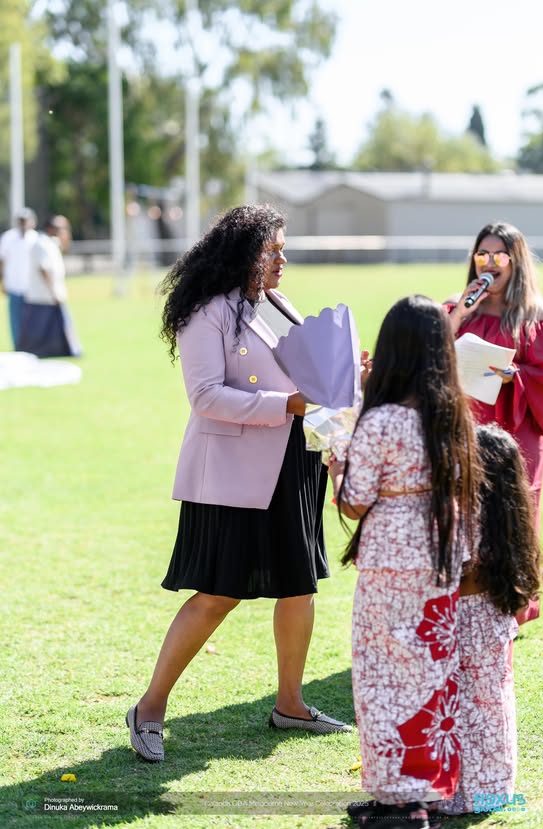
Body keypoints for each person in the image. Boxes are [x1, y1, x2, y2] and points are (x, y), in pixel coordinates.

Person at [126, 204, 352, 763]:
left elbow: (312, 377)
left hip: (294, 462)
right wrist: (288, 404)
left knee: (298, 586)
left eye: (282, 249)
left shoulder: (277, 304)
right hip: (233, 474)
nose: (282, 260)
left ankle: (292, 704)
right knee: (219, 592)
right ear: (242, 254)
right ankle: (149, 708)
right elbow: (205, 396)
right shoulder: (207, 312)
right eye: (271, 250)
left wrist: (344, 389)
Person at [329, 295, 480, 829]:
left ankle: (400, 798)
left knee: (381, 674)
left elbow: (353, 500)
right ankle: (427, 790)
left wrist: (335, 457)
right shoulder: (452, 414)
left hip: (391, 557)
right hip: (441, 554)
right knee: (430, 676)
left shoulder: (384, 420)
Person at [440, 423, 543, 816]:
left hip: (464, 622)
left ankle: (460, 794)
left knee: (462, 708)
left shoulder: (468, 516)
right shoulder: (510, 518)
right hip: (494, 620)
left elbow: (454, 567)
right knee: (492, 707)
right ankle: (494, 787)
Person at [446, 221, 543, 528]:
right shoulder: (458, 308)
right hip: (463, 427)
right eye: (482, 255)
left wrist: (516, 376)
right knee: (463, 516)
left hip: (516, 431)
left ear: (516, 262)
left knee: (510, 521)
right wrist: (460, 314)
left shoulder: (538, 318)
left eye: (500, 256)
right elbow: (429, 353)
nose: (489, 264)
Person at [17, 215, 81, 358]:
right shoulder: (41, 244)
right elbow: (43, 269)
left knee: (57, 331)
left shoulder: (52, 243)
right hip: (42, 297)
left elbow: (66, 246)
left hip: (51, 295)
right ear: (50, 229)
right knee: (36, 334)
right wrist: (53, 292)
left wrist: (66, 234)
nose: (62, 231)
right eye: (59, 228)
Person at [0, 207, 38, 348]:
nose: (23, 224)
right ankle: (18, 348)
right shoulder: (8, 237)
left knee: (32, 320)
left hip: (31, 287)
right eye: (21, 221)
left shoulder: (35, 238)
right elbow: (2, 261)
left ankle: (31, 346)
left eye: (25, 221)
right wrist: (2, 282)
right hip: (14, 286)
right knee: (15, 321)